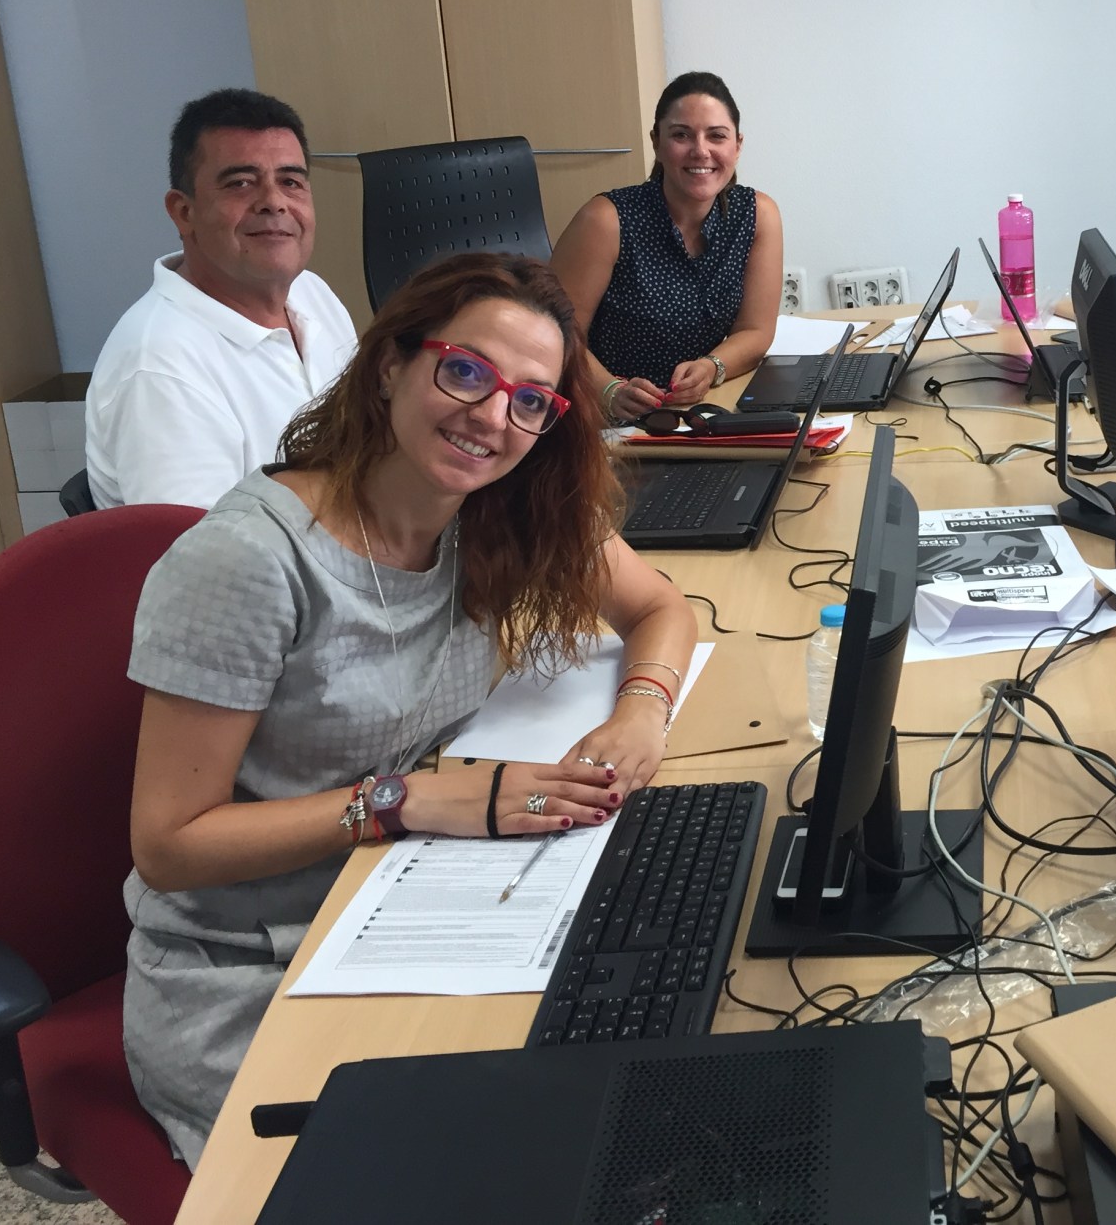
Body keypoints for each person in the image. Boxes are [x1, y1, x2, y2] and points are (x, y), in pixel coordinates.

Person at [121, 253, 698, 1166]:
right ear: (390, 364)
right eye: (465, 371)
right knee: (492, 1164)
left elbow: (662, 606)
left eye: (530, 400)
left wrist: (640, 712)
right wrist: (403, 802)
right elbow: (169, 844)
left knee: (628, 1081)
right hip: (251, 968)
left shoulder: (497, 507)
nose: (492, 417)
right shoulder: (248, 561)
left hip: (408, 903)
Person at [85, 88, 358, 508]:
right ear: (183, 212)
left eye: (290, 181)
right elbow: (203, 548)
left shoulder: (311, 291)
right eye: (240, 183)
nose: (274, 202)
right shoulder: (159, 368)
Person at [550, 71, 784, 423]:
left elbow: (756, 330)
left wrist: (712, 366)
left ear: (737, 146)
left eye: (716, 136)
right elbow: (554, 332)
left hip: (696, 411)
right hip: (605, 417)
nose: (700, 150)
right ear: (657, 143)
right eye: (681, 135)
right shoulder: (606, 220)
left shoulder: (757, 215)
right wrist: (609, 391)